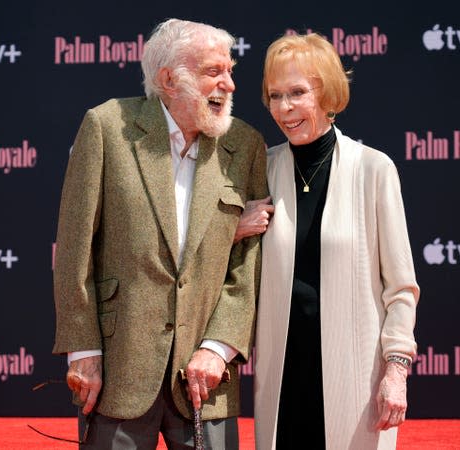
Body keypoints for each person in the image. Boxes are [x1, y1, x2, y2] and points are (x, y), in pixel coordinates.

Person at [52, 18, 267, 449]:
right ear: (169, 79)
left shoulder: (245, 145)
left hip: (207, 376)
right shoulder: (108, 126)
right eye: (213, 72)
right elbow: (75, 251)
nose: (229, 84)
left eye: (230, 71)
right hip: (118, 369)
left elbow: (248, 268)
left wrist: (219, 347)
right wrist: (84, 351)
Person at [252, 33, 420, 449]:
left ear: (327, 95)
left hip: (355, 377)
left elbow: (400, 289)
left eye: (297, 93)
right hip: (282, 378)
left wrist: (395, 372)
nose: (283, 108)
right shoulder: (263, 168)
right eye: (275, 95)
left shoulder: (374, 170)